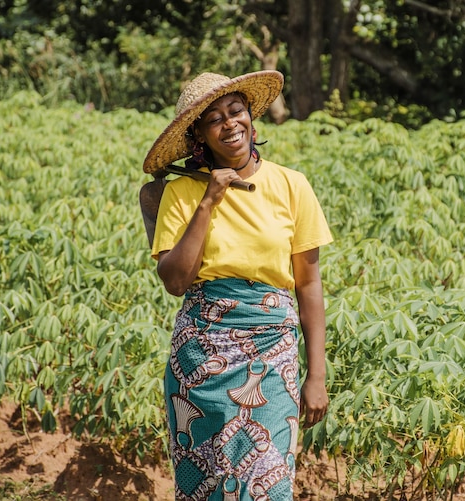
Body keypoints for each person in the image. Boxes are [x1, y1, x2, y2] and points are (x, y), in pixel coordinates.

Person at [142, 70, 333, 500]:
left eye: (236, 111)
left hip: (272, 352)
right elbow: (174, 281)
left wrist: (316, 375)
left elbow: (309, 285)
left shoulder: (291, 185)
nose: (230, 124)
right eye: (214, 119)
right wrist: (209, 199)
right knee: (207, 485)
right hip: (201, 358)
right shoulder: (182, 193)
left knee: (266, 482)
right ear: (199, 136)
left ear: (251, 118)